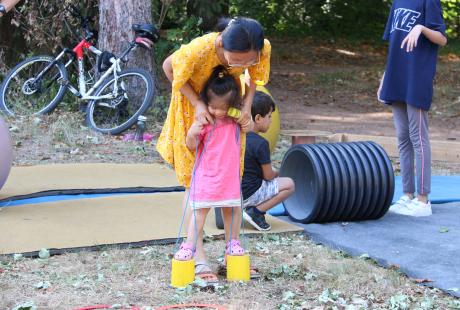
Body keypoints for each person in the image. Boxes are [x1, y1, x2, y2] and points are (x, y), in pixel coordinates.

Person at [157, 17, 271, 279]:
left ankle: (233, 250)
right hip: (196, 107)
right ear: (222, 44)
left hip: (230, 104)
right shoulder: (200, 49)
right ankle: (197, 257)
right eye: (238, 60)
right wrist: (197, 103)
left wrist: (246, 107)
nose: (243, 66)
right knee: (194, 182)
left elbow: (254, 78)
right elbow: (168, 67)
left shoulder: (262, 47)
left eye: (248, 61)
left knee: (231, 174)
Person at [173, 66, 246, 284]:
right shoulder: (205, 121)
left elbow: (250, 125)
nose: (218, 113)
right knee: (199, 213)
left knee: (232, 209)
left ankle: (232, 243)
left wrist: (243, 115)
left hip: (228, 177)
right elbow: (192, 146)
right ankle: (190, 245)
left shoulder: (235, 120)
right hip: (207, 176)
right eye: (213, 108)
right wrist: (192, 133)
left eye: (223, 109)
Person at [377, 0, 447, 216]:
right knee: (403, 138)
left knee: (418, 138)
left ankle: (423, 200)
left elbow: (442, 39)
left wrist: (421, 28)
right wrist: (385, 77)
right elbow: (394, 45)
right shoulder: (398, 2)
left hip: (416, 78)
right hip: (396, 77)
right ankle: (407, 195)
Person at [242, 91, 295, 230]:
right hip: (249, 194)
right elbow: (268, 176)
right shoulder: (260, 144)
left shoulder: (235, 137)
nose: (271, 120)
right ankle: (256, 212)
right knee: (289, 184)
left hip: (231, 193)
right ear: (258, 118)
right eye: (269, 116)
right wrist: (277, 172)